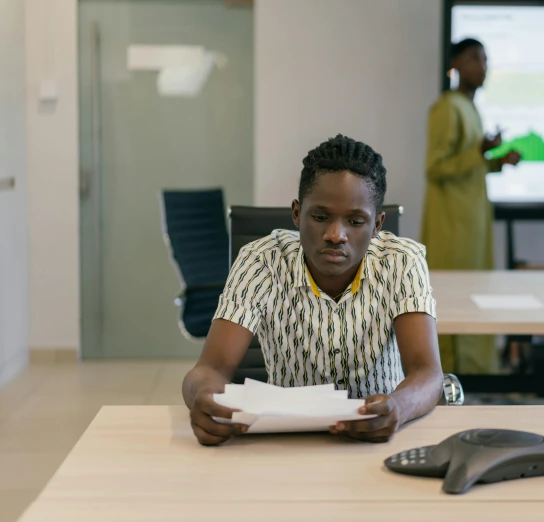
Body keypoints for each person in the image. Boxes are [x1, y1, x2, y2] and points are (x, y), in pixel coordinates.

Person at [183, 135, 444, 445]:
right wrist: (204, 397)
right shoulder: (262, 261)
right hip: (285, 442)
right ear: (296, 214)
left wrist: (399, 407)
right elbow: (210, 369)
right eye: (320, 217)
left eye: (356, 221)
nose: (336, 235)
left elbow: (427, 373)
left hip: (379, 439)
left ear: (377, 225)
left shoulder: (401, 261)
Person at [421, 38, 521, 375]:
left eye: (486, 59)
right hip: (452, 225)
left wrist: (497, 160)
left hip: (473, 221)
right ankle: (451, 376)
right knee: (455, 299)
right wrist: (480, 152)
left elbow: (468, 163)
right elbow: (435, 167)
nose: (483, 66)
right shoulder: (448, 107)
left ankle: (478, 375)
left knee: (477, 294)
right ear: (456, 65)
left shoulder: (470, 106)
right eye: (474, 58)